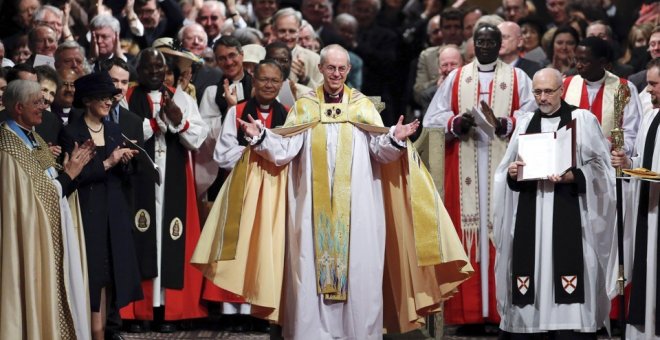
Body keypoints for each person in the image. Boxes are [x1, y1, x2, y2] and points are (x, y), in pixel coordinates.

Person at [192, 44, 473, 339]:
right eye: (330, 68)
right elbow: (285, 149)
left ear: (348, 71)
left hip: (359, 212)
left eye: (341, 68)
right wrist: (262, 136)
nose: (336, 73)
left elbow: (380, 152)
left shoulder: (362, 107)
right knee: (308, 272)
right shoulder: (305, 107)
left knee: (361, 273)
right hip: (311, 212)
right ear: (321, 69)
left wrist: (394, 138)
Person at [423, 23, 537, 326]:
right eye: (480, 41)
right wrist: (457, 124)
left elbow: (532, 114)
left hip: (504, 169)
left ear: (500, 45)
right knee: (467, 239)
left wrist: (507, 123)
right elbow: (433, 118)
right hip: (466, 169)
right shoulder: (457, 78)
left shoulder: (517, 78)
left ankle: (503, 313)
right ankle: (469, 314)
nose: (485, 46)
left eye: (491, 41)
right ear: (473, 44)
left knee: (503, 236)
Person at [494, 67, 617, 338]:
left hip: (570, 211)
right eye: (537, 91)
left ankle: (570, 325)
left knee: (569, 273)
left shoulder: (581, 119)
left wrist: (575, 176)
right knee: (531, 275)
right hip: (532, 211)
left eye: (548, 91)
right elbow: (506, 172)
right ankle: (532, 323)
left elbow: (602, 169)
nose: (542, 97)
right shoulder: (525, 123)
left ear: (561, 90)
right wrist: (514, 173)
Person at [119, 48, 208, 332]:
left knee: (169, 239)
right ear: (139, 70)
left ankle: (168, 311)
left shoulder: (181, 97)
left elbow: (196, 138)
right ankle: (140, 311)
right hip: (138, 179)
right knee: (141, 236)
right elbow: (121, 133)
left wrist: (179, 121)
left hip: (173, 179)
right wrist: (156, 123)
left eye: (160, 68)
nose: (155, 73)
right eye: (148, 69)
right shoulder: (127, 97)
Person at [0, 79, 92, 339]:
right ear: (19, 107)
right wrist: (70, 174)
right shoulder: (8, 146)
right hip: (29, 240)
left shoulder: (33, 136)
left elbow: (49, 181)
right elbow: (37, 196)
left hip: (50, 232)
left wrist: (69, 168)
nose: (44, 106)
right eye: (37, 102)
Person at [59, 71, 143, 340]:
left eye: (111, 97)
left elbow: (122, 175)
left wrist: (128, 161)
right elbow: (74, 177)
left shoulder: (114, 129)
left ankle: (104, 331)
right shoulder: (71, 132)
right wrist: (108, 163)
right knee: (92, 277)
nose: (109, 102)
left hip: (114, 214)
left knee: (110, 276)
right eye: (103, 97)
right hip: (87, 215)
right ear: (87, 100)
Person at [611, 57, 660, 340]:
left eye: (654, 84)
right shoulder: (651, 116)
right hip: (647, 207)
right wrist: (628, 160)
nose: (649, 90)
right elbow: (642, 159)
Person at [562, 36, 641, 156]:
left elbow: (631, 131)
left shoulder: (624, 88)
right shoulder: (566, 84)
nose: (578, 65)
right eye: (576, 59)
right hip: (571, 158)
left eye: (584, 61)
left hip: (609, 161)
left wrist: (609, 146)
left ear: (602, 62)